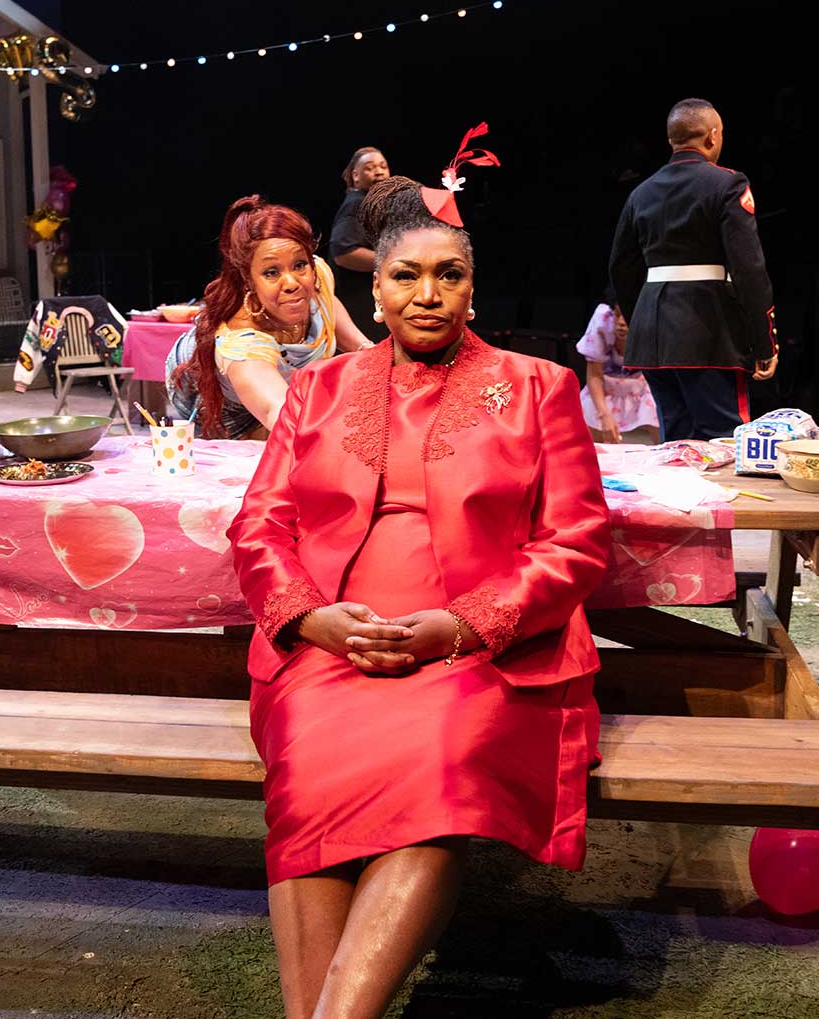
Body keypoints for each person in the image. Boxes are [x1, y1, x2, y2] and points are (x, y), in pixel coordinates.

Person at [230, 168, 611, 1019]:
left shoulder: (540, 387)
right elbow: (259, 525)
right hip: (333, 646)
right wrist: (309, 617)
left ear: (472, 288)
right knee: (308, 758)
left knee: (442, 764)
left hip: (478, 653)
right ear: (375, 290)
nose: (428, 293)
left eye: (450, 274)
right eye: (407, 275)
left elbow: (579, 543)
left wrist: (463, 626)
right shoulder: (318, 391)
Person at [609, 98, 777, 440]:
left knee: (676, 442)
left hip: (653, 336)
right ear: (713, 136)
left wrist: (642, 321)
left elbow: (620, 268)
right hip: (710, 332)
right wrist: (764, 342)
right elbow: (749, 269)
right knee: (724, 442)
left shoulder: (641, 193)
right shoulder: (728, 184)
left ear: (672, 140)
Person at [166, 196, 372, 439]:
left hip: (274, 385)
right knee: (264, 458)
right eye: (271, 272)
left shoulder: (317, 273)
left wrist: (367, 351)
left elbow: (325, 303)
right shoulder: (242, 344)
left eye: (299, 265)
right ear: (248, 279)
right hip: (211, 391)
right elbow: (283, 416)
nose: (292, 282)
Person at [577, 294, 659, 444]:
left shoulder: (652, 323)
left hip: (643, 386)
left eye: (626, 316)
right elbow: (594, 374)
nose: (620, 322)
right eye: (617, 314)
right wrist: (604, 415)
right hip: (608, 386)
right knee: (588, 411)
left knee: (661, 417)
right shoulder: (603, 319)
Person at [327, 146, 389, 336]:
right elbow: (344, 253)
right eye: (370, 168)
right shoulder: (356, 204)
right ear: (356, 176)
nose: (379, 171)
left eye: (383, 166)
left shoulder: (372, 203)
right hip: (356, 302)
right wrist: (394, 261)